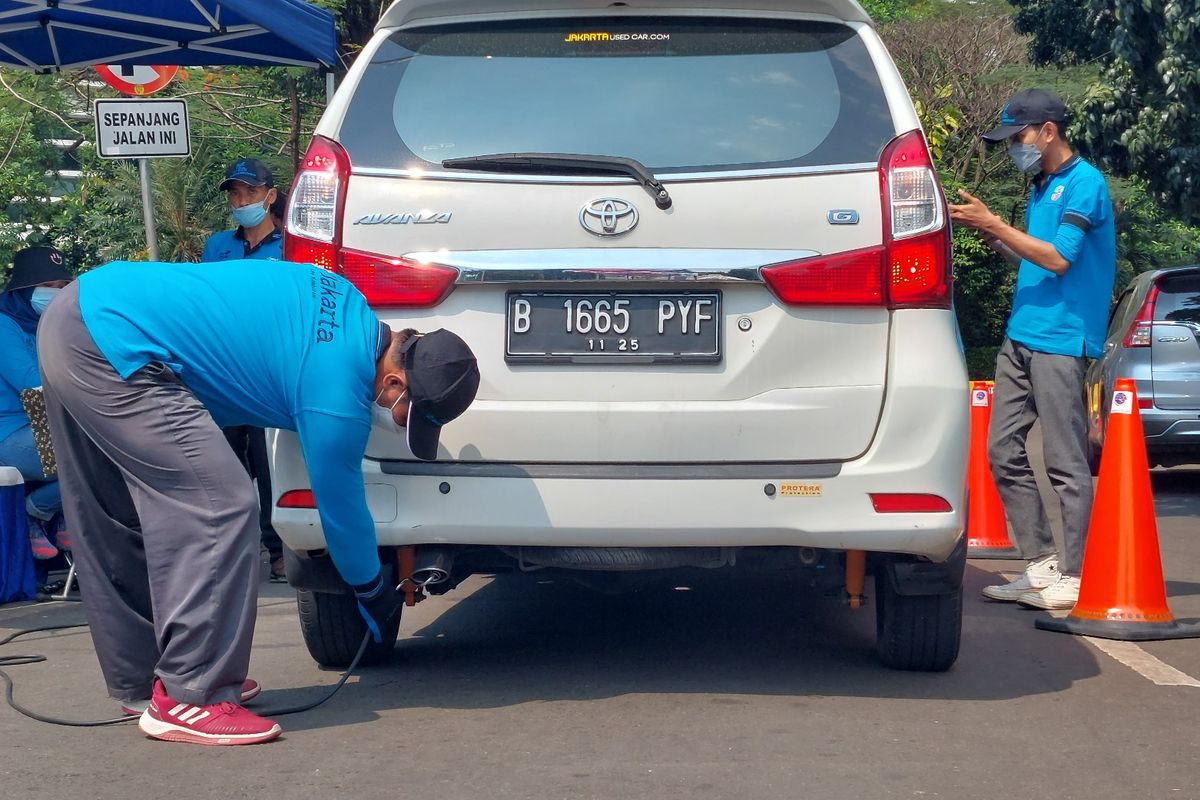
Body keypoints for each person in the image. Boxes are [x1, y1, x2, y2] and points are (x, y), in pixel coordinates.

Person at [37, 259, 479, 745]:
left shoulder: (342, 298)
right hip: (115, 344)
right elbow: (342, 512)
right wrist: (371, 588)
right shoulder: (338, 390)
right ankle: (192, 695)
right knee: (219, 505)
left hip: (80, 312)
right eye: (406, 416)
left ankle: (145, 681)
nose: (394, 421)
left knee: (114, 511)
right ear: (395, 383)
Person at [949, 88, 1116, 611]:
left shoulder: (1084, 183)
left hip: (1063, 339)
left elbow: (1061, 259)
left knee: (1065, 460)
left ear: (1048, 131)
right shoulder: (1042, 186)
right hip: (1022, 335)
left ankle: (1074, 572)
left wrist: (994, 224)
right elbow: (1031, 259)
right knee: (1001, 450)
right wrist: (991, 233)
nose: (1013, 148)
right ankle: (1041, 562)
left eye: (1017, 137)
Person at [202, 158, 285, 580]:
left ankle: (279, 550)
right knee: (223, 466)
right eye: (235, 193)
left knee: (272, 465)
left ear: (270, 196)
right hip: (224, 371)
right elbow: (204, 302)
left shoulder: (289, 247)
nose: (241, 200)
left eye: (250, 192)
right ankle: (227, 555)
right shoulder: (218, 246)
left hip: (270, 372)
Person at [0, 247, 72, 561]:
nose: (57, 295)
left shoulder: (51, 323)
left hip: (47, 425)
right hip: (10, 432)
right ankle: (38, 511)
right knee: (94, 453)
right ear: (26, 288)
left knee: (116, 446)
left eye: (62, 287)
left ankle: (58, 513)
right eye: (50, 287)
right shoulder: (4, 325)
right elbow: (33, 382)